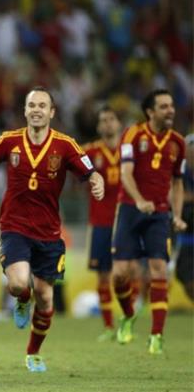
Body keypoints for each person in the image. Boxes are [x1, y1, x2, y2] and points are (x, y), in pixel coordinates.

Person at [0, 86, 104, 372]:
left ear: (52, 112)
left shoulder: (66, 146)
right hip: (15, 227)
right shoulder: (9, 140)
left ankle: (33, 352)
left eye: (42, 106)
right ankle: (23, 299)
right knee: (18, 284)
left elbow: (91, 172)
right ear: (25, 111)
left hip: (49, 233)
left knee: (46, 298)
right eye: (32, 105)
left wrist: (97, 182)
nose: (36, 110)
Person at [112, 89, 187, 354]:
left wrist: (177, 215)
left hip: (159, 214)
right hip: (130, 210)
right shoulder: (133, 134)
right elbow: (126, 173)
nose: (170, 110)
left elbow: (177, 183)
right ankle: (128, 315)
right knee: (120, 274)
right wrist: (140, 200)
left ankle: (156, 335)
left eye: (171, 105)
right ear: (150, 112)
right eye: (164, 106)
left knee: (159, 269)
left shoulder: (178, 142)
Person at [81, 106, 122, 341]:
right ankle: (108, 326)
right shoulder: (90, 152)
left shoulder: (129, 151)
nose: (107, 123)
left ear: (118, 123)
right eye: (103, 120)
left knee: (126, 273)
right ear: (98, 126)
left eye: (111, 119)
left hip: (125, 221)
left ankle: (127, 319)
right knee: (103, 276)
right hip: (99, 223)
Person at [175, 134, 193, 302]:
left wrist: (188, 197)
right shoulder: (180, 172)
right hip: (186, 235)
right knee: (183, 276)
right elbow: (172, 195)